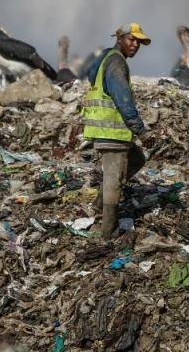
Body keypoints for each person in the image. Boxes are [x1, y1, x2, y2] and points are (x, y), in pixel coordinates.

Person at [82, 23, 157, 236]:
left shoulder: (106, 57)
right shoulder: (116, 63)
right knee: (114, 181)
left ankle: (98, 204)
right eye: (131, 40)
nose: (135, 45)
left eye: (139, 42)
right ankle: (109, 230)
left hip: (107, 130)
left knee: (136, 160)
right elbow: (124, 101)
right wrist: (142, 132)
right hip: (111, 132)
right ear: (120, 38)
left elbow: (91, 74)